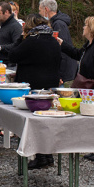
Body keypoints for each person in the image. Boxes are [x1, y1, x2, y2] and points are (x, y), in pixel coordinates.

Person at [9, 13, 61, 169]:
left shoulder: (31, 41)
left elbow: (13, 55)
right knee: (46, 123)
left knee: (34, 124)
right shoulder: (53, 41)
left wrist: (21, 38)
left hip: (33, 86)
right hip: (50, 86)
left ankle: (40, 157)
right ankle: (47, 156)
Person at [59, 16, 94, 162]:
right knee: (92, 118)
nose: (83, 28)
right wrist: (62, 44)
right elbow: (78, 54)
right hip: (89, 88)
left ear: (91, 28)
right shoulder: (90, 43)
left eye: (85, 25)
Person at [38, 0, 77, 84]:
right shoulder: (54, 23)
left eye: (40, 10)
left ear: (46, 9)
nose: (39, 13)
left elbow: (62, 49)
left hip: (64, 76)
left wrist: (60, 74)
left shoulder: (58, 24)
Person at [0, 2, 23, 68]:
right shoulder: (4, 25)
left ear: (6, 12)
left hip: (8, 67)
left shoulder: (16, 27)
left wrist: (0, 48)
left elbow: (18, 46)